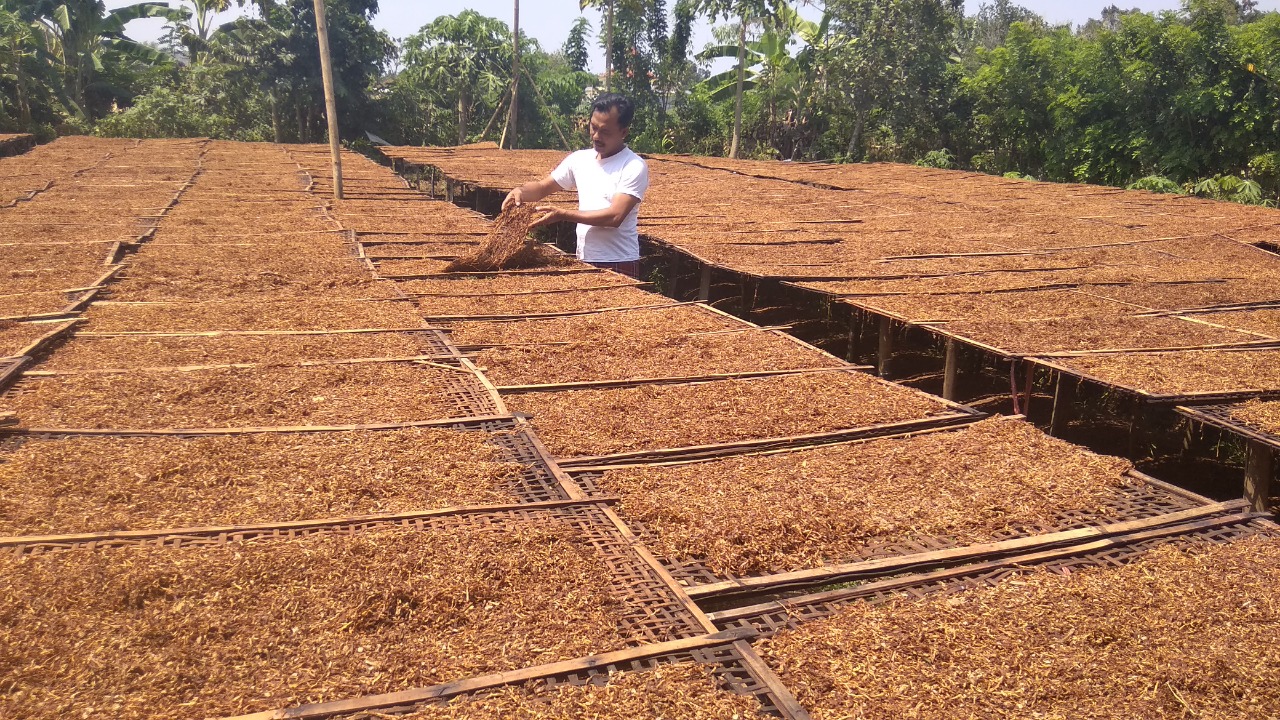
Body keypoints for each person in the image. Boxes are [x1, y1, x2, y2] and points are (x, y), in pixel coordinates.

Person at [501, 93, 649, 278]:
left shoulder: (633, 165)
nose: (596, 136)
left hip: (618, 261)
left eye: (605, 132)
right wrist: (520, 192)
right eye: (593, 127)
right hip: (584, 258)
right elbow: (541, 188)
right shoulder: (580, 159)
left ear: (624, 132)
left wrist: (563, 215)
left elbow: (615, 217)